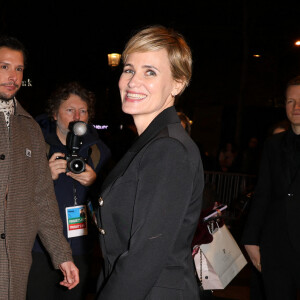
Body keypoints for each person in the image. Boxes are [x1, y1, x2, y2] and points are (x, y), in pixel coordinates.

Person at [95, 25, 204, 300]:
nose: (132, 82)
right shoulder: (151, 143)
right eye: (129, 69)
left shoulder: (168, 149)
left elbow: (144, 256)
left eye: (150, 72)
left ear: (178, 84)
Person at [0, 36, 79, 299]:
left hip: (16, 264)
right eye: (4, 66)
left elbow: (42, 198)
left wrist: (62, 256)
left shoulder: (31, 129)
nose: (13, 76)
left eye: (19, 69)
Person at [27, 82, 111, 300]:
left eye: (83, 111)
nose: (77, 116)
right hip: (39, 248)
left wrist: (95, 182)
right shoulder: (35, 145)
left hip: (80, 245)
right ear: (54, 114)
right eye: (69, 110)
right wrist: (44, 176)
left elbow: (110, 198)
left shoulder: (98, 151)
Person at [242, 75, 300, 299]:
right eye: (290, 101)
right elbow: (262, 193)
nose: (296, 107)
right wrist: (250, 238)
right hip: (275, 247)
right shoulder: (272, 145)